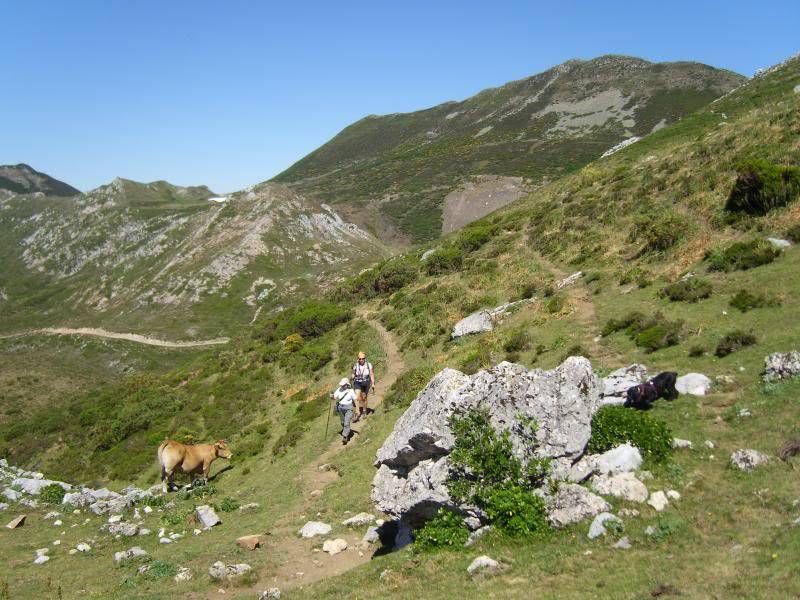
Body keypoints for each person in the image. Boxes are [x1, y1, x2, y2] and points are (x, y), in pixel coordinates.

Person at [331, 378, 356, 445]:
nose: (342, 386)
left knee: (346, 422)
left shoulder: (351, 391)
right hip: (340, 408)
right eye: (341, 385)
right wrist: (332, 396)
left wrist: (356, 409)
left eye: (343, 385)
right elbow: (334, 397)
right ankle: (348, 431)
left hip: (349, 408)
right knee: (342, 422)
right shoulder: (339, 389)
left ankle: (345, 436)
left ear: (347, 384)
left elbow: (355, 400)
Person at [351, 351, 374, 423]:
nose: (361, 360)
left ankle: (364, 410)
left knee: (364, 398)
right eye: (360, 358)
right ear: (358, 359)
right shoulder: (355, 365)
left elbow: (371, 374)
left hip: (366, 383)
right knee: (356, 397)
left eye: (363, 358)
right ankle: (357, 412)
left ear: (365, 358)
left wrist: (373, 383)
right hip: (357, 382)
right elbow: (353, 373)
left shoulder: (368, 365)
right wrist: (353, 376)